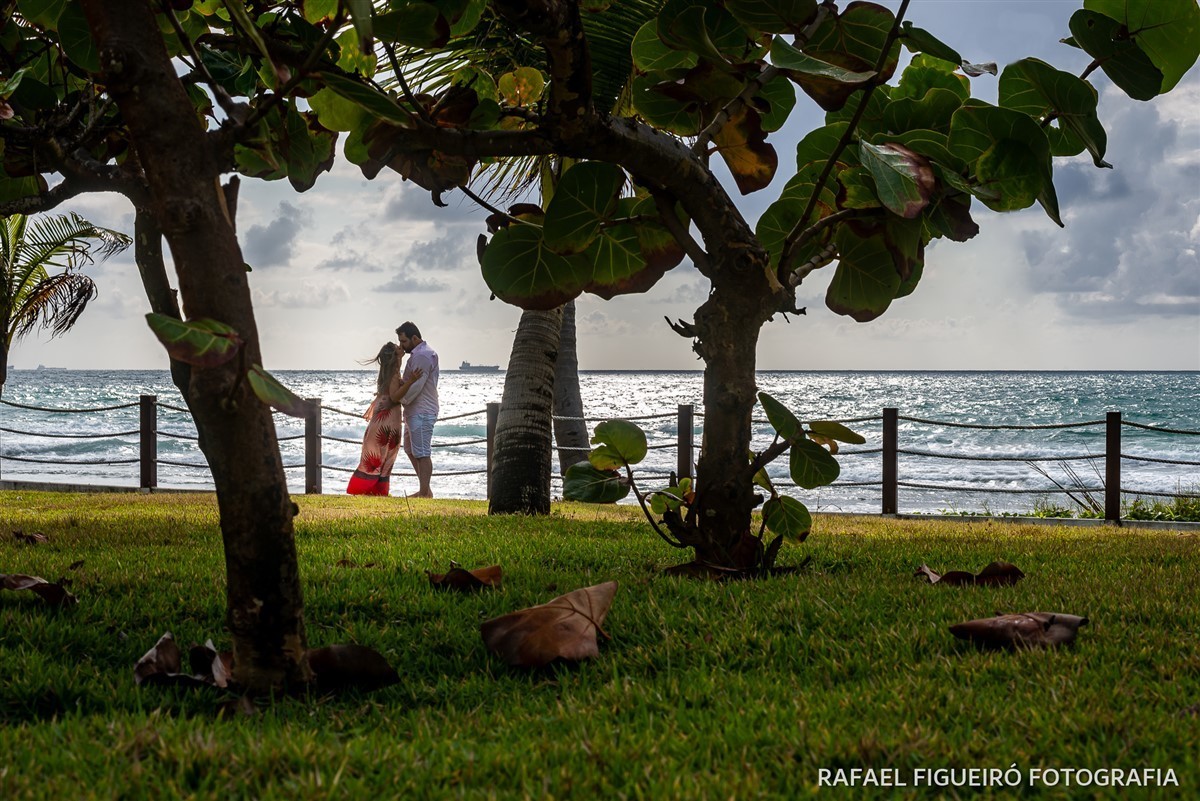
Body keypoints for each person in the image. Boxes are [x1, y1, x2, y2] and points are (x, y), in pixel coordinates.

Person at [347, 342, 424, 496]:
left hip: (385, 417)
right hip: (388, 419)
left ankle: (374, 489)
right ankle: (371, 488)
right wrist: (411, 380)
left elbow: (391, 392)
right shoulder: (394, 375)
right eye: (398, 348)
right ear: (395, 357)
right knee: (385, 452)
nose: (401, 348)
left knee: (383, 451)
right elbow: (395, 397)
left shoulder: (387, 373)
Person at [395, 321, 440, 498]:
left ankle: (424, 493)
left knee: (422, 453)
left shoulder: (423, 356)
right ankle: (425, 490)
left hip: (421, 410)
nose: (401, 346)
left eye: (404, 341)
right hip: (414, 410)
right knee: (410, 449)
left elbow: (416, 386)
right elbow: (410, 382)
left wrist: (400, 397)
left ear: (414, 338)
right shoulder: (418, 354)